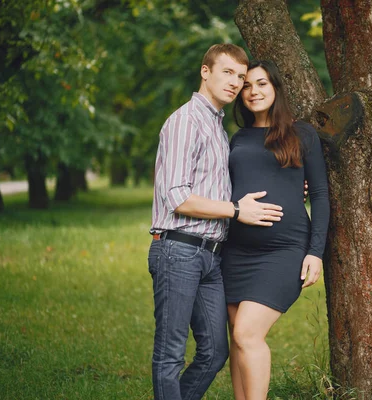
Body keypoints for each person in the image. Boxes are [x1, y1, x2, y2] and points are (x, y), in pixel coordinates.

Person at [147, 44, 285, 400]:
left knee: (215, 353)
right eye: (228, 73)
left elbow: (230, 183)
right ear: (205, 72)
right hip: (178, 249)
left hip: (211, 256)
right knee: (170, 354)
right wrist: (237, 211)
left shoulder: (218, 128)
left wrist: (288, 186)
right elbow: (176, 197)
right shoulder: (184, 122)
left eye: (241, 77)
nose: (236, 83)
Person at [221, 60, 330, 400]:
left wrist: (316, 251)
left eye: (262, 84)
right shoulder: (237, 138)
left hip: (284, 251)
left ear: (276, 88)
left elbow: (322, 195)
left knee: (247, 334)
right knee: (237, 340)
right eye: (247, 86)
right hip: (236, 251)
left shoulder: (302, 134)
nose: (254, 91)